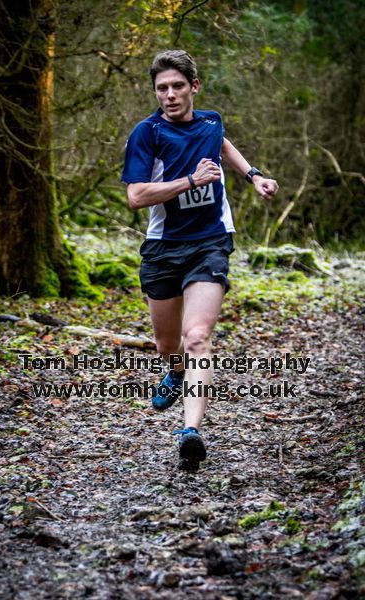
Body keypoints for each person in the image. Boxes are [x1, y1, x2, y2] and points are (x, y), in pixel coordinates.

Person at [121, 50, 278, 471]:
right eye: (161, 89)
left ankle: (190, 430)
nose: (169, 95)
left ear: (194, 86)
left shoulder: (210, 120)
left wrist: (254, 176)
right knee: (168, 345)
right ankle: (173, 373)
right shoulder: (147, 133)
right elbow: (136, 197)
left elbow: (222, 144)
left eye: (176, 86)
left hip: (210, 241)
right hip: (163, 247)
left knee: (197, 338)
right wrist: (191, 180)